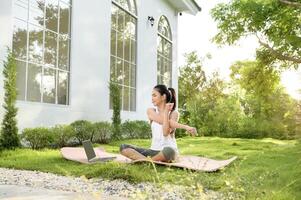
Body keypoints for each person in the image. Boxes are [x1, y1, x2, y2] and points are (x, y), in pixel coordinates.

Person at [120, 84, 197, 162]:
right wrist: (186, 127)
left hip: (167, 151)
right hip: (153, 151)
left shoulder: (174, 113)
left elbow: (165, 133)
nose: (152, 99)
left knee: (169, 151)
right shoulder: (151, 111)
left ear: (163, 97)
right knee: (124, 147)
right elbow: (163, 121)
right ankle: (149, 161)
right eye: (152, 96)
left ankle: (145, 161)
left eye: (154, 95)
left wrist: (166, 111)